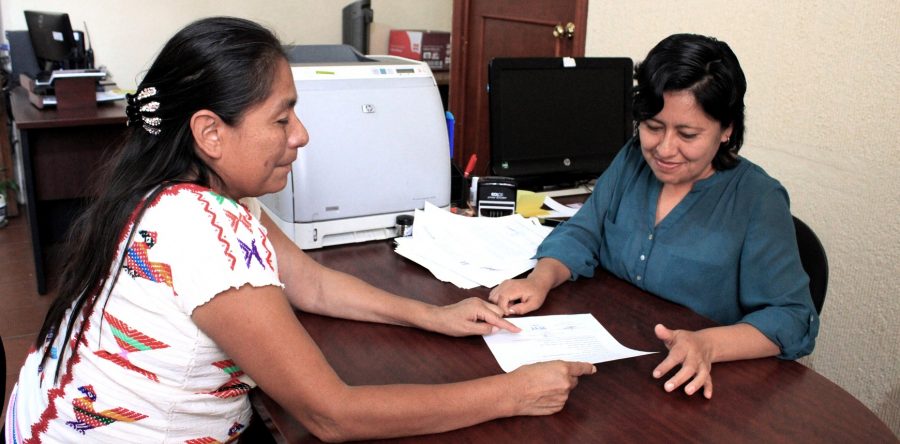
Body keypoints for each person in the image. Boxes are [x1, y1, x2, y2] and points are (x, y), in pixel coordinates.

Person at [4, 17, 596, 443]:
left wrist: (432, 316)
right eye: (281, 118)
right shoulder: (200, 230)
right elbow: (332, 414)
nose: (301, 135)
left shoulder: (185, 193)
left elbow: (309, 282)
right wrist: (512, 393)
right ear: (211, 134)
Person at [489, 33, 818, 400]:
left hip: (693, 386)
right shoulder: (632, 158)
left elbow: (791, 317)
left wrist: (707, 345)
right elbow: (585, 230)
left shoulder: (758, 199)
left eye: (688, 134)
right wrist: (540, 279)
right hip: (613, 367)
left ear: (726, 130)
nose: (664, 149)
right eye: (653, 127)